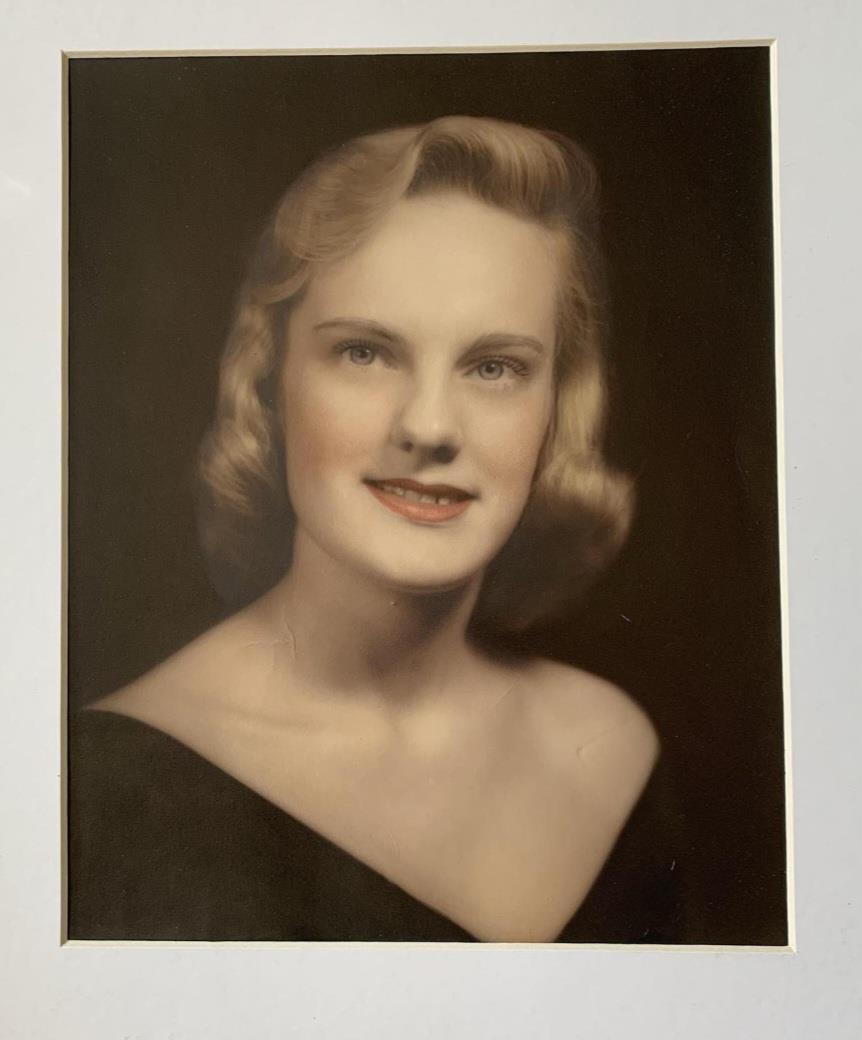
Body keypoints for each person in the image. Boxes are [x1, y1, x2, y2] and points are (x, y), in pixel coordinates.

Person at [69, 115, 666, 943]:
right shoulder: (98, 793)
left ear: (556, 410)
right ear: (270, 379)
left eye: (494, 368)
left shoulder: (613, 744)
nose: (429, 426)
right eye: (365, 353)